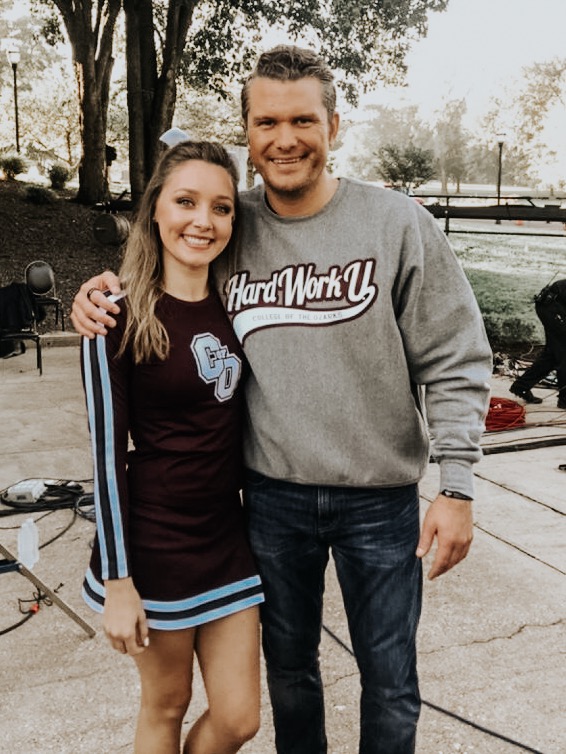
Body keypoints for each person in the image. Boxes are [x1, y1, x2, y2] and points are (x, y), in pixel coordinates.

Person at [71, 46, 492, 754]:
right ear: (248, 131)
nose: (285, 138)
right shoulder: (234, 221)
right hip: (270, 502)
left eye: (303, 120)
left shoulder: (395, 224)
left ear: (334, 125)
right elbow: (172, 248)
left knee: (391, 682)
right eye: (267, 122)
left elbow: (455, 355)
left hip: (379, 500)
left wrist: (456, 485)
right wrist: (100, 293)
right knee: (290, 677)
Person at [80, 140, 264, 754]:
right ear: (155, 208)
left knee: (239, 718)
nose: (202, 221)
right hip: (154, 545)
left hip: (227, 537)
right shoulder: (112, 315)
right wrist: (118, 581)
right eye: (186, 201)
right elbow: (106, 459)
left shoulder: (241, 306)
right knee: (167, 704)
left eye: (221, 207)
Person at [509, 278, 566, 407]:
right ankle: (564, 399)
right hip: (551, 305)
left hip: (554, 305)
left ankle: (521, 386)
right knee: (563, 352)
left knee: (552, 354)